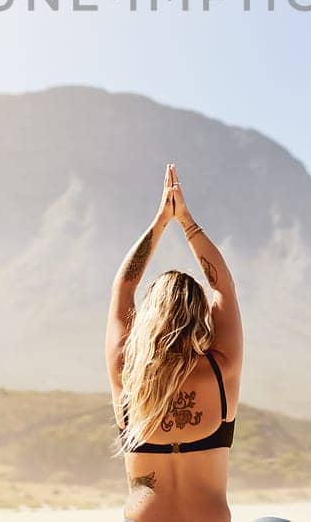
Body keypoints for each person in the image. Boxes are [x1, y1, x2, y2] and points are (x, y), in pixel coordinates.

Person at [107, 164, 268, 522]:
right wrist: (186, 222)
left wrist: (161, 221)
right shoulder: (221, 367)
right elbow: (223, 288)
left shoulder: (127, 373)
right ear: (201, 315)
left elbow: (124, 288)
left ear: (147, 316)